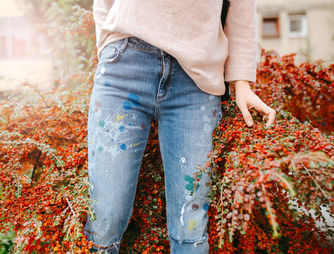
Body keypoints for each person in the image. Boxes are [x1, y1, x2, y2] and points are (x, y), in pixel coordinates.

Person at [84, 0, 276, 253]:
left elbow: (242, 10)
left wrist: (242, 81)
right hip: (124, 66)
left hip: (196, 83)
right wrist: (107, 46)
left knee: (191, 230)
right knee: (104, 220)